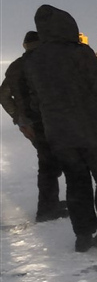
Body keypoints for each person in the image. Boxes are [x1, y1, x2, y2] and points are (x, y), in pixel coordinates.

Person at [23, 4, 97, 253]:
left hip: (60, 135)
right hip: (92, 131)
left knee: (77, 184)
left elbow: (34, 101)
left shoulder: (33, 61)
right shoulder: (80, 53)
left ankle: (83, 235)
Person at [0, 31, 68, 222]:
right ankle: (46, 210)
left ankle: (50, 203)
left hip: (30, 123)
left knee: (48, 162)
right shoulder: (45, 65)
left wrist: (19, 118)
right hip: (47, 121)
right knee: (51, 165)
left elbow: (3, 95)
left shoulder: (14, 67)